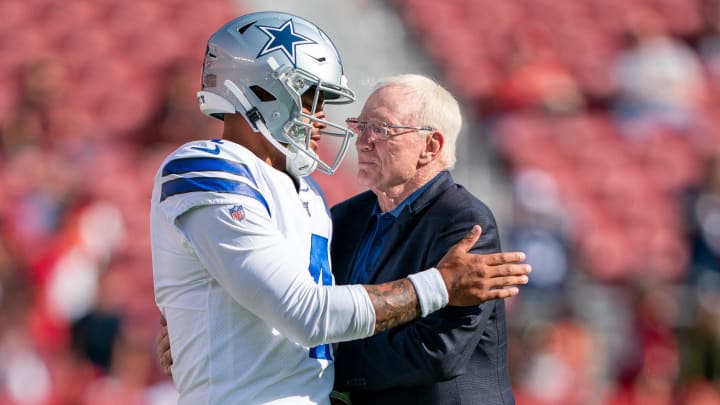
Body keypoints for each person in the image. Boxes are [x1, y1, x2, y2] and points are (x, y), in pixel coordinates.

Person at [151, 11, 530, 405]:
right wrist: (441, 285)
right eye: (310, 99)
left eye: (380, 130)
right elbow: (307, 314)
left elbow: (424, 347)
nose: (321, 120)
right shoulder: (208, 166)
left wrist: (197, 327)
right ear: (260, 90)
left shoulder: (311, 195)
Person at [330, 74, 516, 404]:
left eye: (382, 129)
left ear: (430, 147)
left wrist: (328, 363)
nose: (363, 141)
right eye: (360, 125)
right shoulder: (344, 218)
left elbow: (437, 349)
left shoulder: (464, 221)